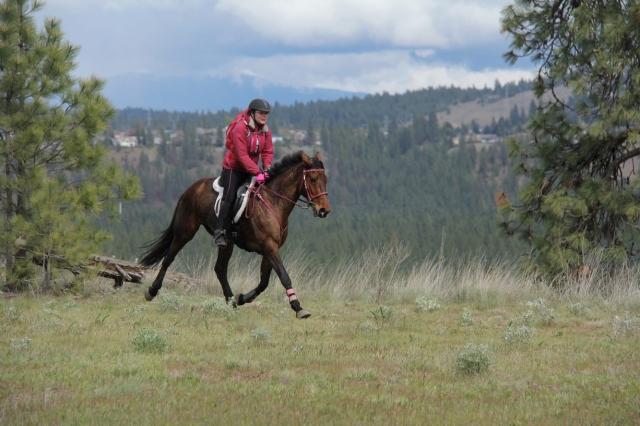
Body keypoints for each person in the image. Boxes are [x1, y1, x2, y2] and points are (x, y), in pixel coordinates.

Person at [212, 98, 274, 248]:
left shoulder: (265, 130)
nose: (264, 116)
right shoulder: (241, 128)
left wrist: (266, 169)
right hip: (233, 168)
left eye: (266, 113)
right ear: (252, 113)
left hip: (252, 170)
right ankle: (219, 231)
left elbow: (267, 151)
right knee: (231, 196)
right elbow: (241, 156)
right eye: (261, 112)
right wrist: (257, 171)